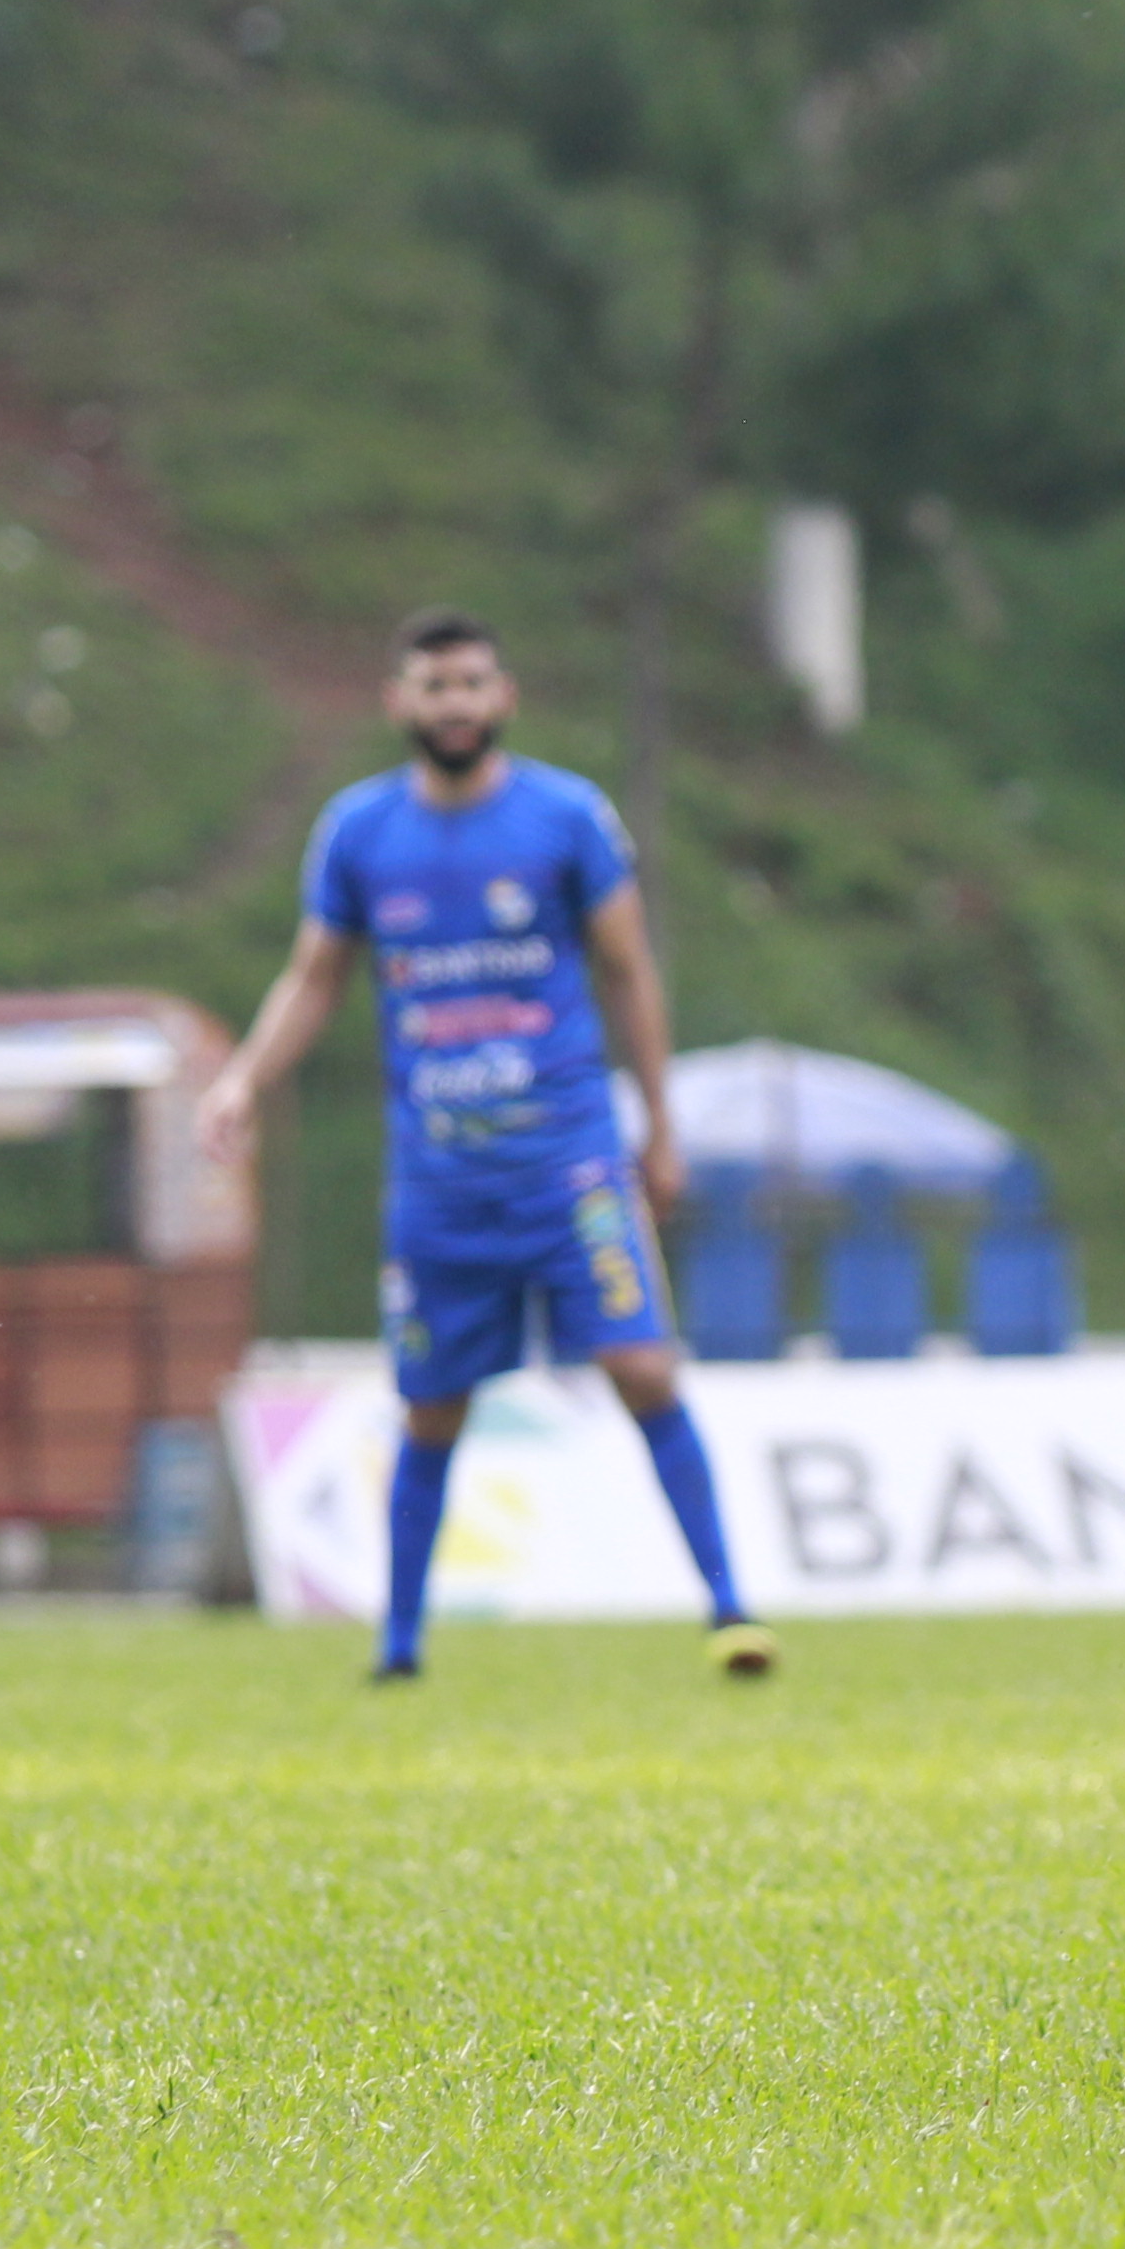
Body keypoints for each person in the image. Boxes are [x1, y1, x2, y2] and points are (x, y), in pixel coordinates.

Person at [199, 611, 775, 1686]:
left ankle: (730, 1610)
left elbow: (627, 970)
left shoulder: (566, 818)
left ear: (503, 698)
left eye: (470, 683)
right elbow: (316, 975)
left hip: (572, 1164)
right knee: (432, 1402)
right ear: (399, 705)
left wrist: (659, 1125)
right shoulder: (360, 834)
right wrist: (242, 1076)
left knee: (643, 1365)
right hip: (439, 1180)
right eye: (433, 686)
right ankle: (400, 1644)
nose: (453, 703)